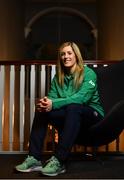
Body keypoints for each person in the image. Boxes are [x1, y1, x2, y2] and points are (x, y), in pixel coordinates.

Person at [15, 42, 104, 176]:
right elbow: (52, 97)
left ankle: (59, 160)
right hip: (71, 115)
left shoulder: (88, 73)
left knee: (74, 107)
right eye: (63, 54)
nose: (65, 57)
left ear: (76, 56)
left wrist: (54, 103)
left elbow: (81, 99)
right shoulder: (58, 77)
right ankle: (34, 158)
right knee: (43, 110)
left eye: (69, 53)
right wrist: (46, 103)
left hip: (93, 114)